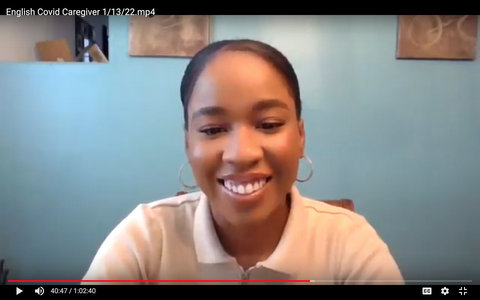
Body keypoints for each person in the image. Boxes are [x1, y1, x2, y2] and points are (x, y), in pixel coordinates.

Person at [82, 39, 403, 284]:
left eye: (269, 124)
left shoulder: (349, 244)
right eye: (213, 129)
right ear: (188, 142)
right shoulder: (145, 239)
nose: (242, 153)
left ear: (300, 136)